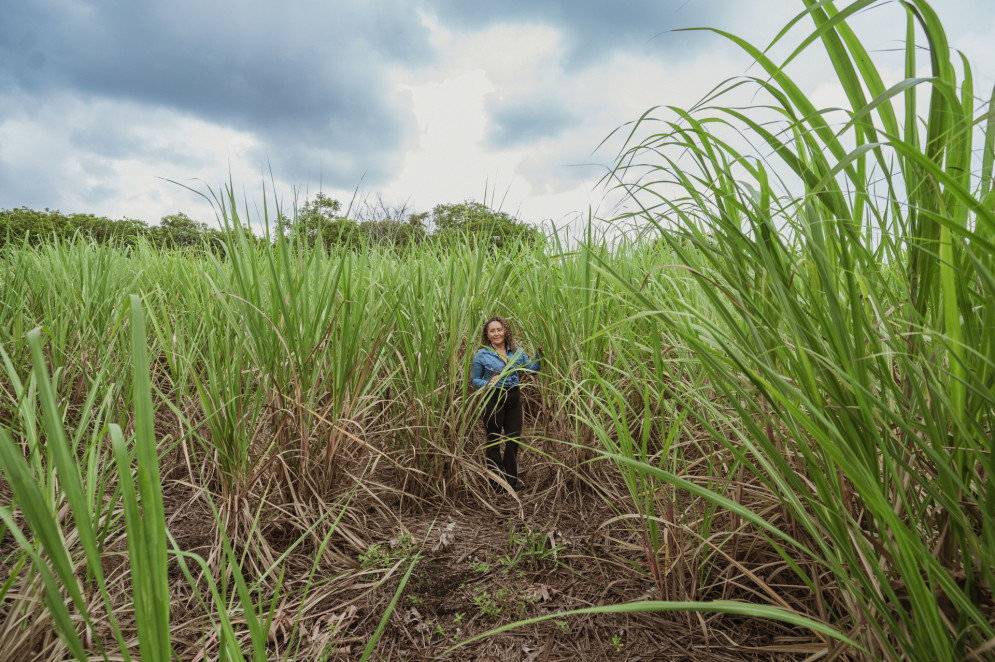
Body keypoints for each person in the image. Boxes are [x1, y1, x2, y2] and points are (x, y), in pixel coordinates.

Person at [470, 315, 542, 492]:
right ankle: (497, 483)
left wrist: (539, 355)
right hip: (493, 399)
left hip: (514, 399)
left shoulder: (516, 352)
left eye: (499, 330)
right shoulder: (482, 354)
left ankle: (511, 481)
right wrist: (489, 383)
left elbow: (532, 371)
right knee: (493, 441)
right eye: (492, 331)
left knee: (513, 441)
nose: (496, 333)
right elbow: (474, 380)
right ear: (487, 334)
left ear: (505, 331)